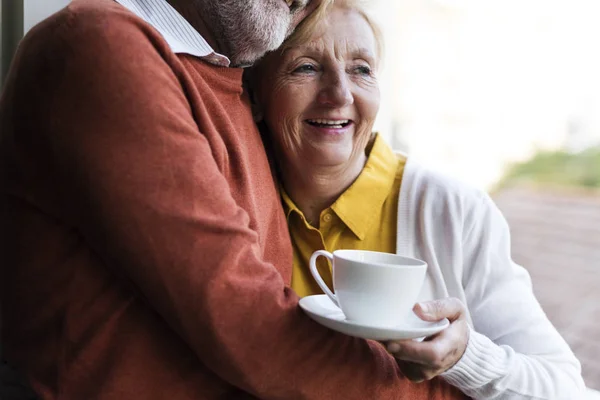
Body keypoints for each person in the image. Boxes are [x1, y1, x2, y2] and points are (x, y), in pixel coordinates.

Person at [0, 0, 488, 399]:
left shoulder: (232, 86)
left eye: (362, 69)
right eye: (306, 69)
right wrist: (439, 394)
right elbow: (250, 327)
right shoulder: (101, 44)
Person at [251, 0, 587, 398]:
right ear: (255, 95)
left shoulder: (451, 209)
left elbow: (566, 388)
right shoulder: (244, 202)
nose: (339, 94)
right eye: (306, 67)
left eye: (361, 69)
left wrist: (465, 355)